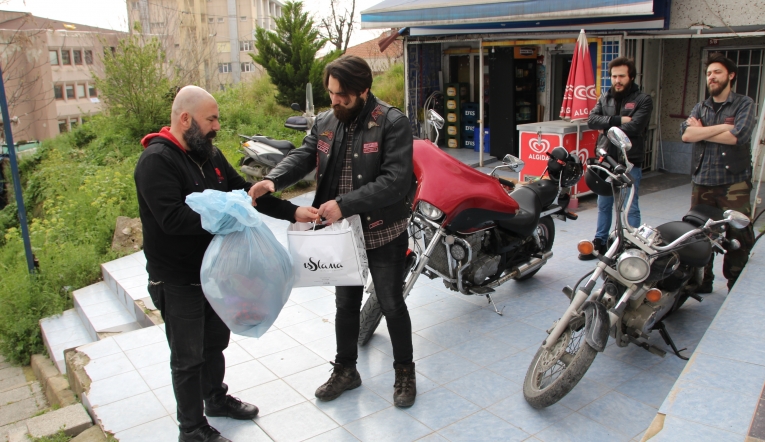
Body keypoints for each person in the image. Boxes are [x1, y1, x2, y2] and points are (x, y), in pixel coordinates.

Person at [134, 85, 317, 442]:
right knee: (187, 358)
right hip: (178, 279)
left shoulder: (210, 156)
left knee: (215, 343)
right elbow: (172, 219)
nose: (217, 126)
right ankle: (191, 428)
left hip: (215, 276)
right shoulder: (157, 161)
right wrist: (226, 215)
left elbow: (247, 195)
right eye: (211, 120)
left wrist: (293, 211)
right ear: (185, 119)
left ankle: (215, 399)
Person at [248, 55, 418, 407]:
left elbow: (396, 181)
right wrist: (273, 179)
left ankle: (405, 372)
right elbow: (304, 155)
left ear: (363, 90)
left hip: (382, 229)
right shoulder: (327, 121)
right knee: (346, 304)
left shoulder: (391, 122)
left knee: (390, 302)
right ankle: (345, 370)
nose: (335, 100)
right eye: (331, 93)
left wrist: (346, 203)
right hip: (341, 234)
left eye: (342, 95)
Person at [681, 53, 756, 292]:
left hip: (733, 183)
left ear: (730, 76)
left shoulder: (744, 103)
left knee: (738, 234)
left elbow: (738, 136)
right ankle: (702, 281)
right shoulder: (700, 107)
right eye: (709, 73)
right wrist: (723, 127)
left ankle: (735, 283)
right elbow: (686, 135)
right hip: (702, 181)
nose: (711, 77)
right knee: (701, 234)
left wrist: (702, 131)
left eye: (717, 72)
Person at [580, 57, 654, 260]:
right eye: (614, 76)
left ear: (631, 77)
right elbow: (592, 120)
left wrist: (606, 128)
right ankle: (600, 242)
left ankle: (631, 246)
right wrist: (618, 120)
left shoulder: (643, 100)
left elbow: (635, 127)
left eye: (621, 76)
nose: (617, 80)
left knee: (630, 206)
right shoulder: (605, 97)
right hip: (606, 160)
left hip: (630, 161)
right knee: (604, 204)